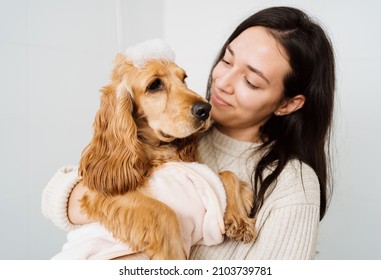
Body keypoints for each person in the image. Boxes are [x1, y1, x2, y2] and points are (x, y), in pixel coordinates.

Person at [42, 6, 335, 259]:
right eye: (227, 60)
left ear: (287, 104)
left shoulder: (294, 186)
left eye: (251, 81)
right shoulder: (173, 135)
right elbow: (58, 194)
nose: (221, 83)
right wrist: (147, 216)